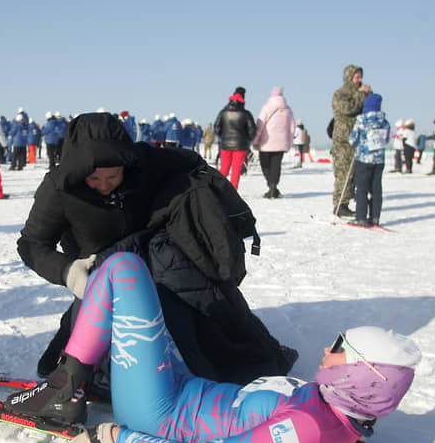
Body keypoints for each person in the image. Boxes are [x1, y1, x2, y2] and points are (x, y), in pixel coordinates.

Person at [3, 251, 421, 443]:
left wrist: (113, 439)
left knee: (123, 270)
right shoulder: (338, 413)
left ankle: (64, 387)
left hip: (159, 415)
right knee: (134, 285)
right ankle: (73, 373)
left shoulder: (305, 433)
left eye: (339, 350)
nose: (327, 352)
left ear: (357, 377)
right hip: (181, 389)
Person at [17, 112, 295, 394]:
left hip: (158, 261)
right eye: (94, 179)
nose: (104, 185)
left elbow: (195, 165)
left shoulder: (147, 161)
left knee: (198, 313)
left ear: (127, 162)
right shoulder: (58, 187)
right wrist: (68, 271)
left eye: (112, 176)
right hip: (101, 277)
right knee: (98, 358)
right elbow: (31, 244)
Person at [331, 65, 371, 217]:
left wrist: (368, 94)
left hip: (360, 140)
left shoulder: (362, 93)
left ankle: (349, 199)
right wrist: (361, 95)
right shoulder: (340, 94)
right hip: (343, 140)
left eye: (361, 77)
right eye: (357, 77)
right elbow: (347, 109)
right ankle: (340, 204)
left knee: (354, 174)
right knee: (343, 173)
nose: (359, 80)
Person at [348, 94, 390, 227]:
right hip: (379, 160)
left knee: (362, 189)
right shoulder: (384, 122)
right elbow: (386, 140)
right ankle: (375, 217)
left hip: (364, 159)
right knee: (376, 189)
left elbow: (353, 139)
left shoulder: (361, 120)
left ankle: (361, 217)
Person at [253, 86, 295, 199]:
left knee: (265, 165)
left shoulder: (267, 107)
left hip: (266, 143)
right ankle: (273, 187)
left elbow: (260, 125)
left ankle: (271, 187)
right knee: (276, 166)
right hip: (281, 144)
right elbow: (292, 129)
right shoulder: (288, 110)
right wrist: (289, 143)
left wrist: (255, 140)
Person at [214, 86, 257, 190]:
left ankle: (218, 190)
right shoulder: (246, 114)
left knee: (224, 168)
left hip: (225, 144)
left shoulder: (223, 112)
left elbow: (216, 127)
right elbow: (252, 130)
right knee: (236, 170)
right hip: (241, 145)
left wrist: (223, 136)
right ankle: (233, 192)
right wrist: (248, 139)